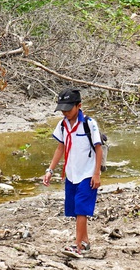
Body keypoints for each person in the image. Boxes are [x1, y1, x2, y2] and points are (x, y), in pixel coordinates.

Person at [42, 88, 103, 258]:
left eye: (69, 109)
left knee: (81, 209)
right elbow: (60, 148)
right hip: (71, 173)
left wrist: (96, 174)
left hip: (87, 174)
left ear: (79, 106)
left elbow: (99, 150)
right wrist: (50, 170)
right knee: (75, 210)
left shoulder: (89, 124)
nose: (65, 112)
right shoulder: (62, 125)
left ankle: (78, 246)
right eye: (63, 109)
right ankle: (85, 242)